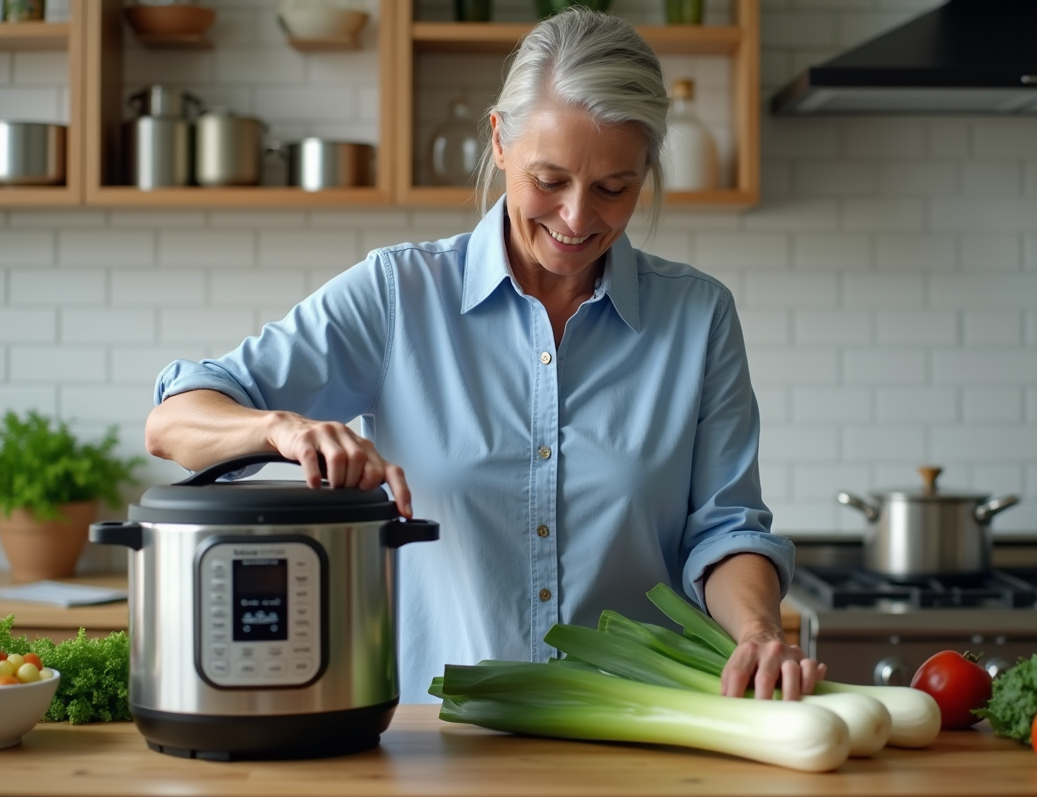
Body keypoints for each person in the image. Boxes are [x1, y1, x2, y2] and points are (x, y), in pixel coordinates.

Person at [145, 8, 825, 704]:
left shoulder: (697, 317)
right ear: (500, 141)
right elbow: (173, 424)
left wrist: (757, 631)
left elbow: (725, 529)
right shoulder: (398, 296)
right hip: (435, 740)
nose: (577, 218)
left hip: (638, 737)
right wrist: (280, 429)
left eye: (613, 188)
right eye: (550, 180)